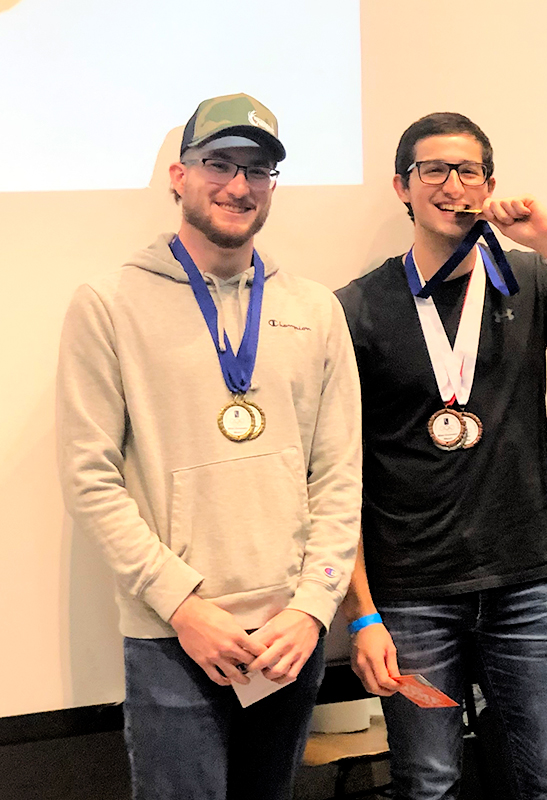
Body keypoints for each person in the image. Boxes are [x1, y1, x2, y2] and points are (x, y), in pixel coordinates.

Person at [55, 93, 362, 799]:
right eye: (219, 163)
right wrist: (185, 607)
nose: (238, 185)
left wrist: (312, 607)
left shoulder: (315, 311)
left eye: (257, 170)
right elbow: (90, 479)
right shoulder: (108, 305)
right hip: (175, 638)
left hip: (288, 637)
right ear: (178, 175)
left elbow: (339, 474)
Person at [336, 111, 547, 799]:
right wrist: (361, 611)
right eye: (433, 171)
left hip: (524, 587)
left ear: (489, 183)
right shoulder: (357, 309)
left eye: (468, 170)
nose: (452, 184)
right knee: (428, 785)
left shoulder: (528, 281)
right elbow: (337, 480)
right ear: (402, 187)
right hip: (411, 600)